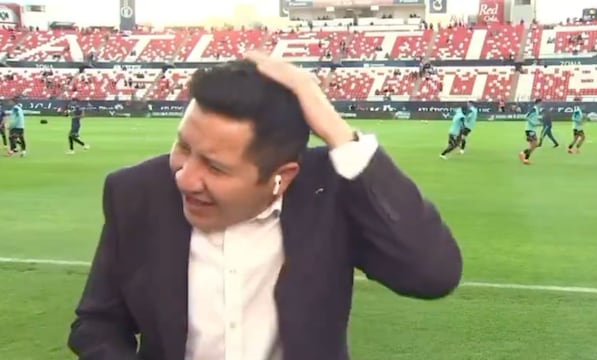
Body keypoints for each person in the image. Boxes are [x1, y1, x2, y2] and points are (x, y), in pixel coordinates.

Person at [68, 54, 463, 360]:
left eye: (216, 167)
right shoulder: (135, 193)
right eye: (184, 147)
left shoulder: (331, 193)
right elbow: (98, 323)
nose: (185, 177)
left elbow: (432, 273)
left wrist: (341, 134)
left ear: (282, 176)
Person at [518, 99, 542, 165]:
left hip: (532, 130)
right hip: (529, 130)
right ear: (538, 103)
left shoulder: (536, 110)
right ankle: (525, 158)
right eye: (541, 103)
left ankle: (523, 155)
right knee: (533, 145)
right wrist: (534, 123)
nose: (542, 104)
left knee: (534, 145)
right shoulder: (534, 109)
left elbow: (533, 118)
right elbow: (526, 116)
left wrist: (538, 122)